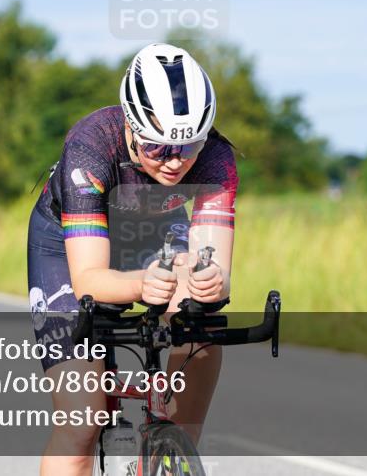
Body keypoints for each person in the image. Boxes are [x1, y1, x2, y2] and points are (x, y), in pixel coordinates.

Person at [27, 42, 238, 476]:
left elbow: (215, 268)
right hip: (68, 244)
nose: (176, 162)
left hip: (153, 230)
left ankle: (173, 451)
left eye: (189, 145)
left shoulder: (216, 159)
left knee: (200, 322)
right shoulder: (91, 146)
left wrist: (209, 284)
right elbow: (89, 279)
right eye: (158, 148)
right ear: (130, 123)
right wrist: (141, 285)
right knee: (82, 421)